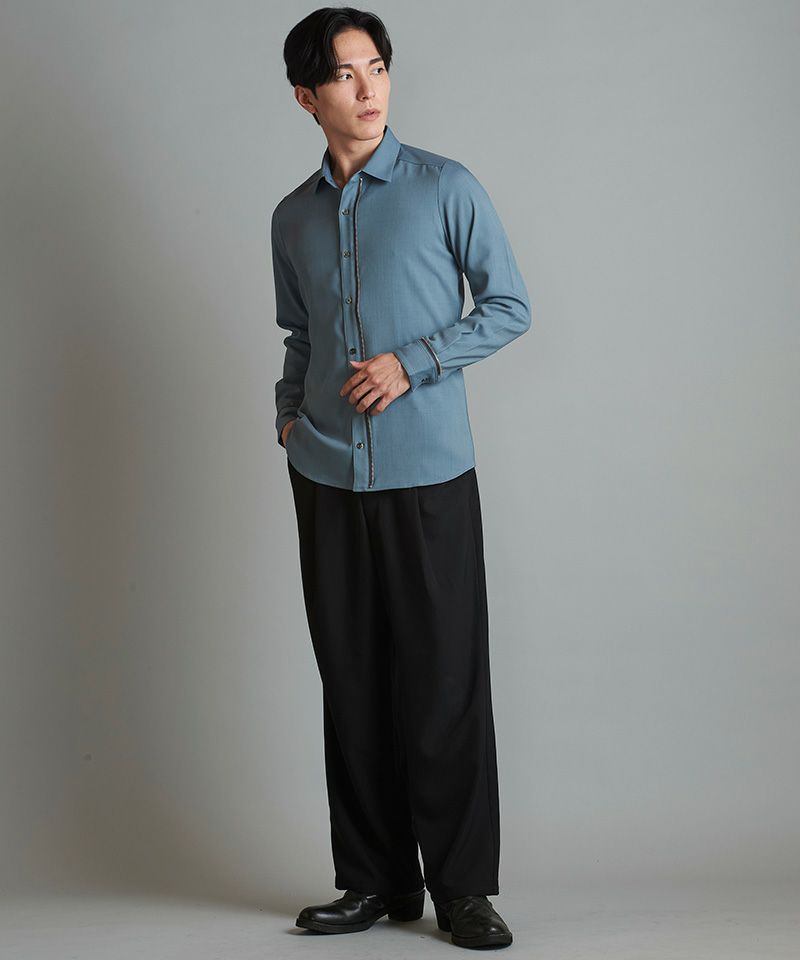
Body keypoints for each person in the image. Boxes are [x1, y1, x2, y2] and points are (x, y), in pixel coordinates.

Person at [272, 6, 531, 950]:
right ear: (307, 97)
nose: (368, 87)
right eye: (345, 74)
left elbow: (509, 306)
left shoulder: (444, 187)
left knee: (444, 680)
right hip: (326, 475)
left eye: (376, 67)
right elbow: (300, 335)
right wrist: (288, 418)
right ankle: (374, 881)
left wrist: (412, 362)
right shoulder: (292, 216)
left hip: (428, 474)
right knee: (351, 679)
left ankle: (464, 890)